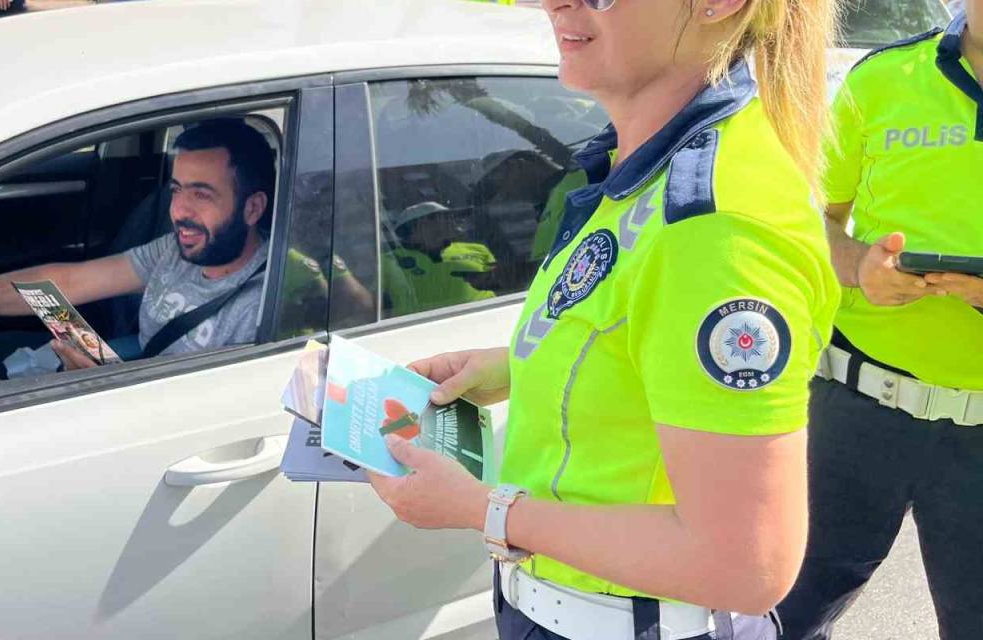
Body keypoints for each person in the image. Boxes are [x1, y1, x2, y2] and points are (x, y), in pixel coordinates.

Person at [367, 0, 841, 638]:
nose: (556, 3)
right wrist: (516, 365)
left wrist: (485, 510)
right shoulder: (648, 156)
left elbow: (745, 563)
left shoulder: (715, 224)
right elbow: (639, 328)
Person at [775, 5, 983, 639]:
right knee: (781, 615)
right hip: (855, 410)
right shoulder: (881, 78)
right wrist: (860, 264)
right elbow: (809, 216)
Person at [0, 118, 276, 370]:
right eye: (177, 189)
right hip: (125, 367)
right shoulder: (174, 251)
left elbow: (218, 429)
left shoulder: (268, 302)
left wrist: (105, 388)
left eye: (202, 194)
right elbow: (60, 284)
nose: (179, 210)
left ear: (253, 207)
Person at [382, 201, 498, 316]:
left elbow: (503, 281)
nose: (454, 220)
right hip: (426, 326)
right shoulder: (388, 260)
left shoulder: (478, 249)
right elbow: (374, 303)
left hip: (492, 315)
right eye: (445, 216)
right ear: (420, 225)